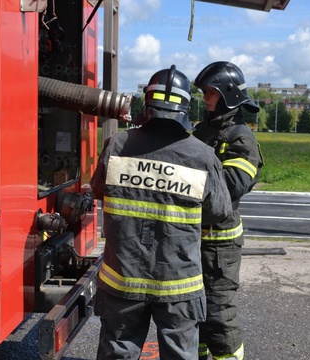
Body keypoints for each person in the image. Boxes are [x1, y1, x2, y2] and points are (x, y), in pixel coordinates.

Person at [90, 65, 232, 360]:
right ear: (186, 108)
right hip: (178, 284)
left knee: (117, 353)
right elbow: (219, 211)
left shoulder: (118, 144)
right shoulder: (202, 155)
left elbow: (98, 189)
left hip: (123, 280)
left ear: (148, 104)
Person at [193, 61, 264, 360]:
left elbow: (232, 186)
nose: (205, 97)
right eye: (205, 92)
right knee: (193, 315)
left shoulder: (241, 138)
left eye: (211, 91)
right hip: (193, 238)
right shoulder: (200, 131)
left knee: (219, 316)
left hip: (219, 244)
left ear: (227, 95)